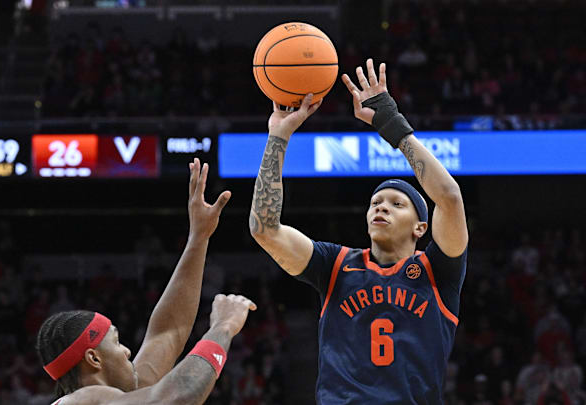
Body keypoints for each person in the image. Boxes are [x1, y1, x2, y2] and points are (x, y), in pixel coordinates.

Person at [249, 59, 468, 404]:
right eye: (376, 202)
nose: (381, 207)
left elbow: (450, 198)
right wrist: (278, 137)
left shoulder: (438, 272)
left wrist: (393, 125)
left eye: (397, 204)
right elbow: (265, 229)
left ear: (420, 227)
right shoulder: (334, 264)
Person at [37, 158, 257, 405]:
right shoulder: (81, 400)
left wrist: (199, 237)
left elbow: (168, 334)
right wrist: (222, 328)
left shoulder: (118, 399)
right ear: (94, 359)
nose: (128, 352)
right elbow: (179, 396)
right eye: (116, 342)